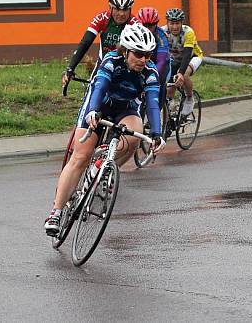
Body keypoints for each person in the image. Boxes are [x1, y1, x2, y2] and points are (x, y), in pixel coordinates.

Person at [44, 25, 165, 236]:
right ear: (125, 51)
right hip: (98, 105)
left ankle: (103, 167)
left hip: (124, 109)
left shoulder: (150, 73)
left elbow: (153, 104)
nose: (143, 59)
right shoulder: (111, 61)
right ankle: (56, 211)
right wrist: (92, 112)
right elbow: (99, 87)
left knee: (135, 135)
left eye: (147, 55)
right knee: (81, 157)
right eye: (138, 54)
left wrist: (156, 133)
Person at [62, 0, 139, 86]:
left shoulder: (135, 24)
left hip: (126, 66)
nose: (121, 14)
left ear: (130, 9)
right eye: (117, 9)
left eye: (125, 9)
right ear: (110, 7)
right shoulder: (102, 18)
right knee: (91, 92)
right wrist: (70, 68)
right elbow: (86, 42)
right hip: (104, 63)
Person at [162, 8, 203, 117]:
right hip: (174, 59)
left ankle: (189, 97)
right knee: (169, 88)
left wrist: (180, 72)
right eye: (172, 23)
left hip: (192, 57)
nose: (174, 27)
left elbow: (187, 54)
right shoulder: (163, 32)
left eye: (177, 23)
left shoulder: (188, 32)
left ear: (182, 23)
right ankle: (168, 119)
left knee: (184, 75)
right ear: (167, 23)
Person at [138, 7, 170, 110]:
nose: (147, 29)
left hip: (161, 64)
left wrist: (152, 76)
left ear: (156, 24)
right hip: (143, 61)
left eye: (151, 26)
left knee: (159, 83)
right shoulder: (134, 31)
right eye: (144, 25)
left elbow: (161, 61)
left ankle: (157, 110)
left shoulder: (161, 36)